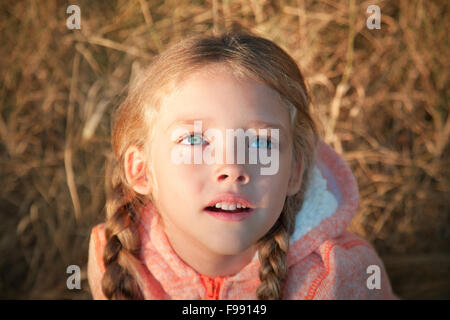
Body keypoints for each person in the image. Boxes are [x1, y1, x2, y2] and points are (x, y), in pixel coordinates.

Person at [87, 28, 398, 300]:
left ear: (294, 172)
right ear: (141, 170)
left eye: (261, 143)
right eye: (194, 140)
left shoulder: (340, 279)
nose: (232, 167)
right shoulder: (117, 258)